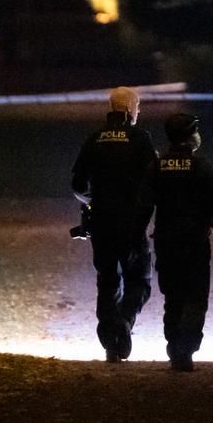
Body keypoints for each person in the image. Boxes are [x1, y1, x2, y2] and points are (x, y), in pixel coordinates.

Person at [71, 86, 158, 362]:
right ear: (130, 109)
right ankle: (124, 321)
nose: (138, 112)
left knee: (107, 280)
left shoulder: (94, 138)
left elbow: (78, 185)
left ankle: (110, 341)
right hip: (132, 224)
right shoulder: (141, 139)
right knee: (140, 279)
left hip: (101, 223)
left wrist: (94, 201)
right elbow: (155, 181)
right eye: (138, 107)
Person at [145, 112, 213, 372]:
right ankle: (185, 347)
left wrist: (134, 236)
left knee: (173, 297)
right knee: (195, 297)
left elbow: (143, 205)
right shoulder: (200, 166)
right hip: (194, 243)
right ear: (188, 136)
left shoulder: (157, 166)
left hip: (166, 243)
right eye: (195, 130)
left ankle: (175, 347)